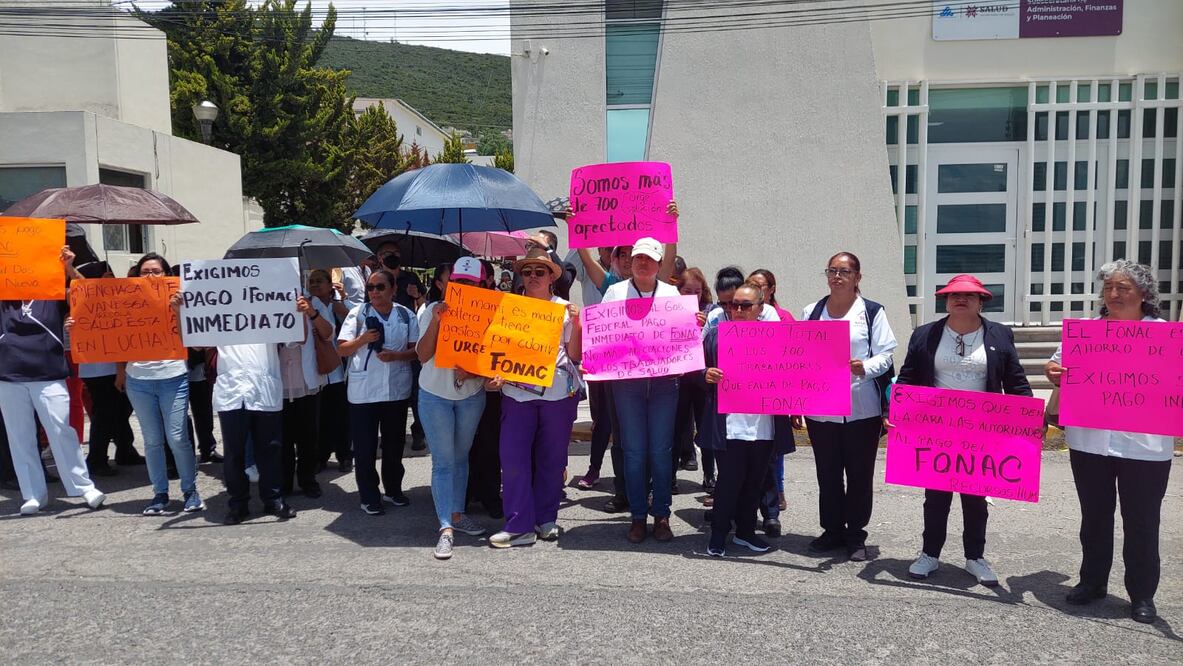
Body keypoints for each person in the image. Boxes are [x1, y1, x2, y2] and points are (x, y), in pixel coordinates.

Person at [1044, 260, 1174, 624]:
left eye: (1123, 288)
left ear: (1144, 294)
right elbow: (1056, 367)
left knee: (1143, 522)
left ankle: (1142, 594)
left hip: (1146, 448)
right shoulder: (1086, 333)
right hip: (1090, 444)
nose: (1114, 295)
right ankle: (1092, 582)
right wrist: (1053, 372)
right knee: (1095, 517)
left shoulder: (1165, 336)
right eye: (1109, 288)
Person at [897, 274, 1030, 586]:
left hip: (981, 430)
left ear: (981, 301)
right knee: (936, 496)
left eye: (969, 295)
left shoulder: (999, 335)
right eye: (954, 294)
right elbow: (908, 378)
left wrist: (1027, 419)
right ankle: (930, 554)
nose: (960, 299)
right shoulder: (925, 335)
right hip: (938, 429)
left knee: (975, 498)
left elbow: (1016, 381)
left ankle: (975, 557)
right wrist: (897, 411)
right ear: (945, 300)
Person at [796, 252, 897, 562]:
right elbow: (798, 357)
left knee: (858, 474)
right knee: (827, 474)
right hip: (821, 408)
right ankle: (832, 530)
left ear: (857, 277)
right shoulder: (811, 312)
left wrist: (863, 367)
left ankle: (856, 534)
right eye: (831, 270)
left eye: (844, 271)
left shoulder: (870, 312)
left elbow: (886, 356)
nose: (836, 276)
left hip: (860, 409)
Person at [0, 246, 106, 515]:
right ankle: (33, 494)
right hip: (8, 373)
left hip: (48, 372)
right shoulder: (4, 295)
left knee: (61, 430)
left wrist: (68, 268)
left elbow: (89, 296)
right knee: (20, 437)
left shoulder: (52, 291)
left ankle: (83, 486)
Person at [488, 248, 582, 548]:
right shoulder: (508, 307)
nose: (532, 277)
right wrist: (496, 372)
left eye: (539, 272)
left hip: (556, 394)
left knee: (552, 460)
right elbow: (497, 349)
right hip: (516, 393)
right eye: (527, 272)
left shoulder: (565, 309)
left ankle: (546, 519)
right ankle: (519, 524)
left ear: (551, 277)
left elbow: (576, 355)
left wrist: (577, 325)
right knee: (513, 459)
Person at [702, 281, 796, 556]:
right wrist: (705, 374)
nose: (739, 310)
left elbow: (793, 375)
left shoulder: (778, 339)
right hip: (730, 426)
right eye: (733, 305)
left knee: (754, 483)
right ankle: (718, 534)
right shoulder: (716, 336)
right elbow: (694, 368)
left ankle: (745, 533)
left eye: (745, 305)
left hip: (764, 426)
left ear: (760, 307)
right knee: (728, 483)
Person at [602, 237, 683, 543]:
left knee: (661, 451)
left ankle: (661, 514)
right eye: (638, 258)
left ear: (660, 264)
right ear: (630, 262)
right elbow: (603, 336)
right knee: (634, 451)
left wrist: (694, 323)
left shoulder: (672, 294)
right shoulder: (615, 292)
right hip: (627, 383)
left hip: (664, 383)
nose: (643, 263)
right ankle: (637, 515)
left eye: (649, 259)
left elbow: (683, 339)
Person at [415, 258, 493, 559]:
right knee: (444, 462)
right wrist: (436, 320)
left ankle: (457, 515)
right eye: (458, 282)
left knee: (461, 458)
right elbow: (422, 355)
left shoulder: (488, 315)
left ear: (480, 286)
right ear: (447, 284)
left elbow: (492, 358)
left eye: (470, 283)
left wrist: (472, 372)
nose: (463, 288)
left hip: (471, 396)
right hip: (435, 394)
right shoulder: (431, 311)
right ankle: (445, 527)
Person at [115, 253, 203, 515]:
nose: (150, 276)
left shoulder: (180, 301)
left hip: (173, 377)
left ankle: (190, 491)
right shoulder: (127, 301)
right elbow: (109, 326)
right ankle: (160, 494)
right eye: (145, 272)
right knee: (152, 440)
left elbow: (196, 341)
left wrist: (179, 312)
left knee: (177, 438)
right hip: (138, 380)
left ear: (167, 275)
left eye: (156, 271)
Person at [337, 269, 419, 515]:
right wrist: (363, 340)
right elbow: (342, 350)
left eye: (380, 287)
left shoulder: (406, 315)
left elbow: (416, 351)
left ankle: (394, 490)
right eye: (371, 288)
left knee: (394, 445)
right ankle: (370, 495)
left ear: (393, 289)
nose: (374, 292)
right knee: (365, 448)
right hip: (364, 393)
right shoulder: (358, 314)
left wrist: (397, 356)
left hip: (395, 390)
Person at [213, 341, 296, 524]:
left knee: (271, 448)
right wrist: (180, 313)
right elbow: (195, 341)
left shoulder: (268, 311)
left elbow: (295, 338)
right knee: (234, 452)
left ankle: (273, 499)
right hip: (232, 392)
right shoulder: (218, 312)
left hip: (264, 388)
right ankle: (238, 503)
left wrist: (302, 312)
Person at [373, 241, 427, 451]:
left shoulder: (410, 278)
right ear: (380, 257)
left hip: (409, 340)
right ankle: (388, 433)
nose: (392, 256)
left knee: (415, 390)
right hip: (383, 339)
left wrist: (417, 295)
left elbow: (424, 307)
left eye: (396, 252)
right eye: (388, 253)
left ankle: (418, 432)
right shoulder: (375, 280)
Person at [278, 292, 332, 499]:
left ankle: (308, 479)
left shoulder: (314, 301)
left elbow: (328, 333)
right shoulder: (267, 302)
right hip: (280, 381)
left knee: (308, 437)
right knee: (283, 437)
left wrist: (311, 312)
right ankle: (284, 482)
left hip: (307, 380)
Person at [307, 269, 352, 473]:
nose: (315, 284)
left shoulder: (338, 306)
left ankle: (344, 455)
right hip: (315, 371)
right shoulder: (305, 306)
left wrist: (343, 306)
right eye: (311, 281)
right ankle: (320, 456)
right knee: (319, 418)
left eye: (319, 281)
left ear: (329, 285)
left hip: (337, 370)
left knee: (341, 417)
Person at [673, 267, 713, 476]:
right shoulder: (669, 310)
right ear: (679, 290)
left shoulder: (710, 310)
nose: (692, 296)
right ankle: (670, 478)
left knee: (705, 428)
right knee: (676, 428)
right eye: (687, 291)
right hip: (679, 378)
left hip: (701, 377)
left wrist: (704, 326)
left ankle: (709, 477)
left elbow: (715, 344)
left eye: (696, 291)